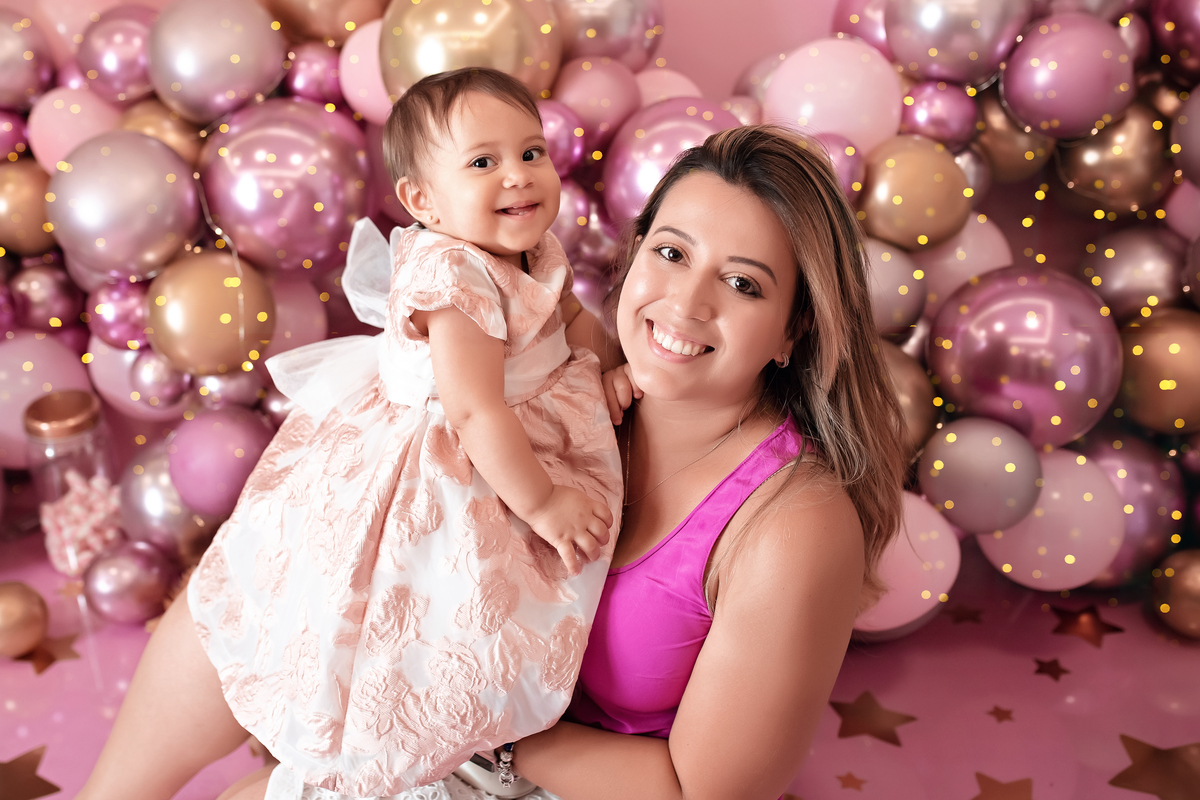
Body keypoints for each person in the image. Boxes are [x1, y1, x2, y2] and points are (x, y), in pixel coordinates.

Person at [212, 125, 908, 800]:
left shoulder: (794, 525)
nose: (686, 303)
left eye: (744, 284)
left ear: (793, 331)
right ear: (633, 255)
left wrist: (475, 727)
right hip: (455, 745)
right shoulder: (549, 393)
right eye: (671, 253)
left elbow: (704, 791)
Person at [78, 67, 628, 800]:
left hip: (516, 431)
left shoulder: (535, 249)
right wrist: (546, 503)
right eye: (483, 162)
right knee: (426, 585)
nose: (518, 176)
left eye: (532, 153)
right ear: (423, 202)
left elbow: (571, 321)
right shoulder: (455, 278)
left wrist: (603, 370)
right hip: (462, 459)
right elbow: (475, 412)